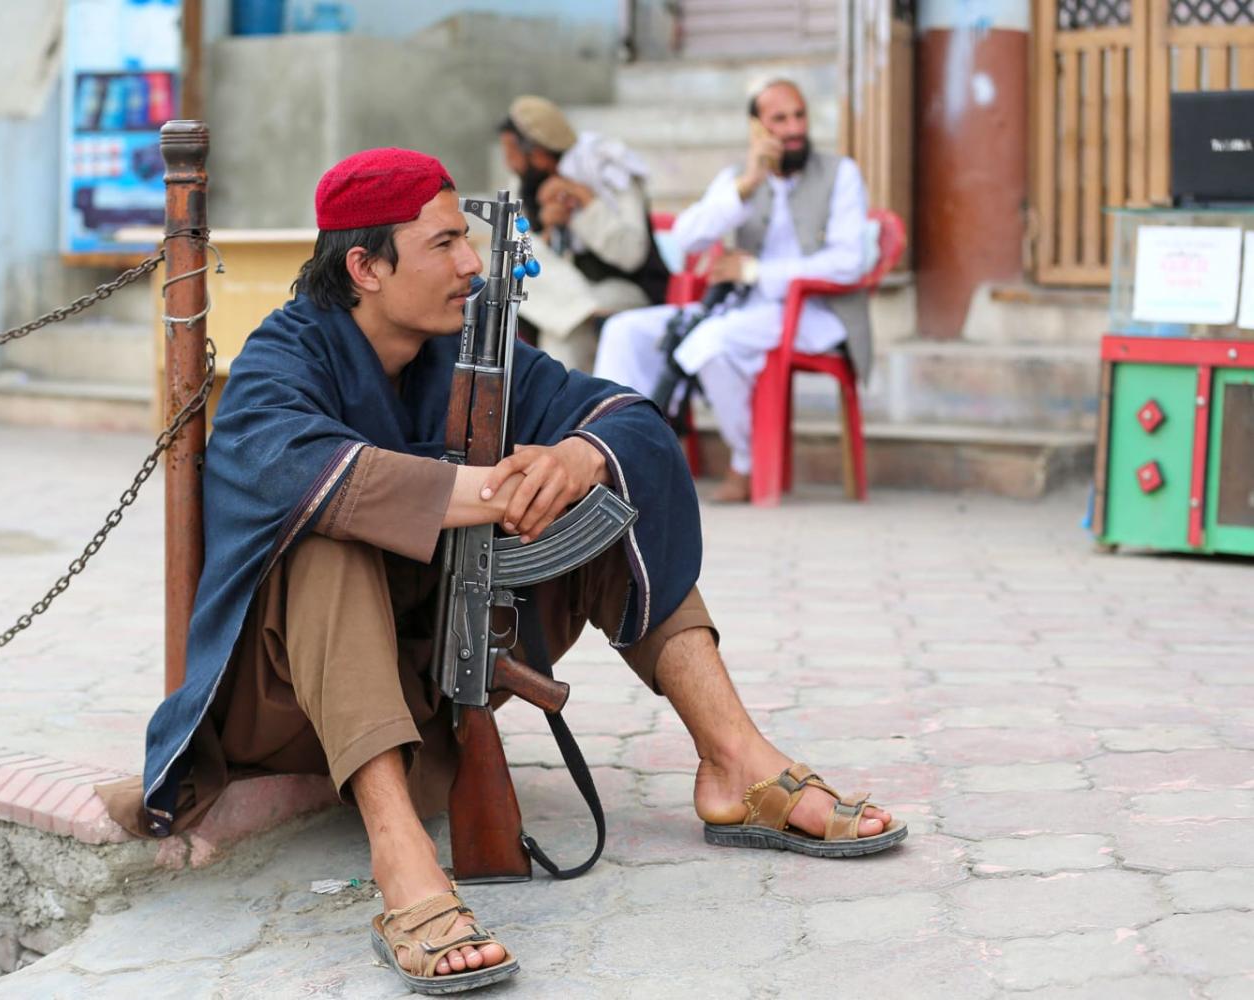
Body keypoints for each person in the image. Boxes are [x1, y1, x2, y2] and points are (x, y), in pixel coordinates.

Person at [101, 148, 904, 994]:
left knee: (597, 499)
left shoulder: (468, 350)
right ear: (365, 267)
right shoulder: (282, 360)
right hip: (296, 703)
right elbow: (299, 470)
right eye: (445, 244)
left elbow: (622, 416)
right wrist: (495, 489)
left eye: (470, 240)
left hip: (436, 682)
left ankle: (735, 763)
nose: (472, 263)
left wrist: (578, 458)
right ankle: (401, 857)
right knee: (326, 536)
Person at [593, 80, 873, 502]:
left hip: (816, 314)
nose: (794, 128)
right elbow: (687, 238)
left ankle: (747, 463)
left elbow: (849, 260)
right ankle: (609, 454)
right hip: (742, 312)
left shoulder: (840, 174)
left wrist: (757, 271)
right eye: (780, 119)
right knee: (625, 330)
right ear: (756, 128)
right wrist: (746, 185)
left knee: (711, 341)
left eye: (800, 116)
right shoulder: (739, 179)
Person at [497, 95, 669, 373]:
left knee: (563, 335)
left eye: (511, 154)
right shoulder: (524, 185)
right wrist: (547, 229)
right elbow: (527, 259)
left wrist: (586, 205)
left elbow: (631, 254)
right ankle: (577, 310)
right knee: (497, 259)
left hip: (623, 288)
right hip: (571, 297)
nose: (509, 164)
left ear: (537, 154)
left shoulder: (609, 170)